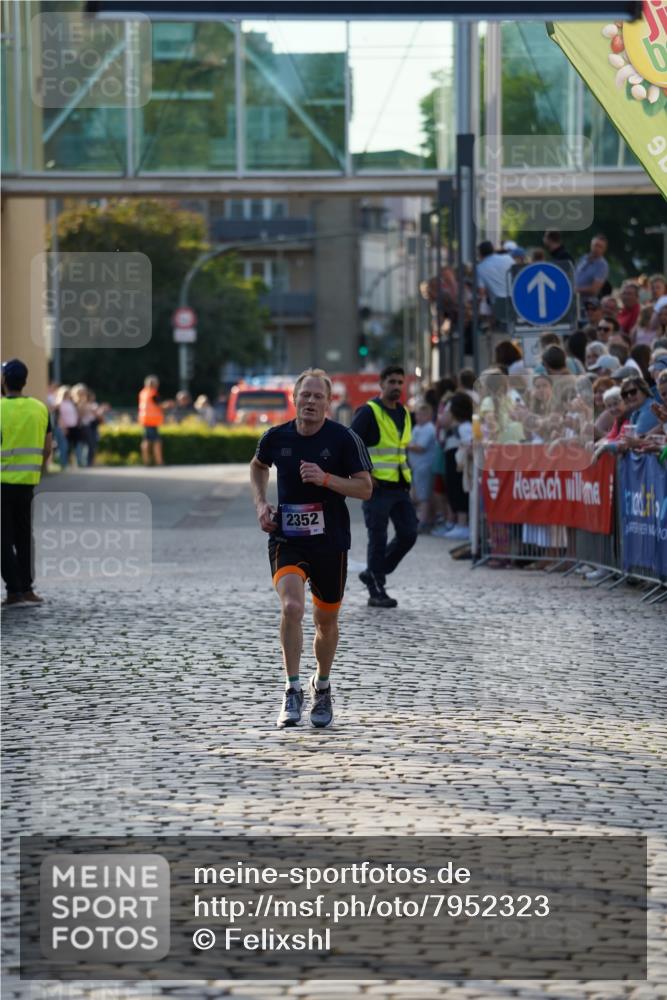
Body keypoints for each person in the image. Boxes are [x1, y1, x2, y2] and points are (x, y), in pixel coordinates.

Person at [250, 368, 372, 729]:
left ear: (328, 403)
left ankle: (323, 685)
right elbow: (258, 467)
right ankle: (292, 688)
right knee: (291, 606)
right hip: (287, 538)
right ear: (294, 398)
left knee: (326, 621)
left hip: (330, 542)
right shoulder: (275, 437)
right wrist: (260, 504)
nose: (311, 402)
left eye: (319, 396)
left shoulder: (344, 440)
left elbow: (366, 488)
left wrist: (326, 479)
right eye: (306, 395)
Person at [351, 365, 419, 609]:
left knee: (409, 533)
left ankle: (373, 571)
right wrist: (365, 473)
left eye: (400, 382)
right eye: (391, 382)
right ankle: (376, 588)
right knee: (377, 538)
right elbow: (352, 443)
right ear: (381, 384)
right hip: (376, 487)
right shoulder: (369, 412)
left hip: (399, 486)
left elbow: (401, 451)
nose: (396, 387)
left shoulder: (405, 414)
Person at [1, 359, 52, 606]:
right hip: (27, 484)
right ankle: (27, 589)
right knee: (23, 537)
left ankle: (14, 592)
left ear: (3, 381)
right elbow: (47, 447)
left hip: (1, 484)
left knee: (2, 539)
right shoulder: (40, 408)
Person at [406, 402, 437, 532]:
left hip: (424, 466)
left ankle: (423, 522)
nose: (418, 417)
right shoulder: (418, 427)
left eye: (422, 415)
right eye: (417, 414)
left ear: (429, 416)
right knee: (417, 495)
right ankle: (424, 519)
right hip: (416, 467)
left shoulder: (429, 428)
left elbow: (420, 447)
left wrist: (403, 444)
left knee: (423, 496)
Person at [476, 240, 513, 330]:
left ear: (480, 253)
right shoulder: (508, 259)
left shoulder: (480, 268)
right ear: (493, 249)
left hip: (499, 305)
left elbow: (482, 292)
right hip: (516, 301)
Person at [138, 375, 166, 466]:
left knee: (146, 441)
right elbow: (159, 405)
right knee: (157, 442)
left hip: (145, 420)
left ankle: (146, 461)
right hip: (152, 421)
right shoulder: (152, 393)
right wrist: (168, 405)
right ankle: (159, 461)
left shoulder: (143, 393)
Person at [574, 234, 609, 301]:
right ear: (591, 245)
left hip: (587, 305)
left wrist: (574, 290)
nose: (597, 248)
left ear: (604, 249)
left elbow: (594, 290)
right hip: (574, 300)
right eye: (595, 245)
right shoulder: (583, 258)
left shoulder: (602, 266)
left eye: (600, 247)